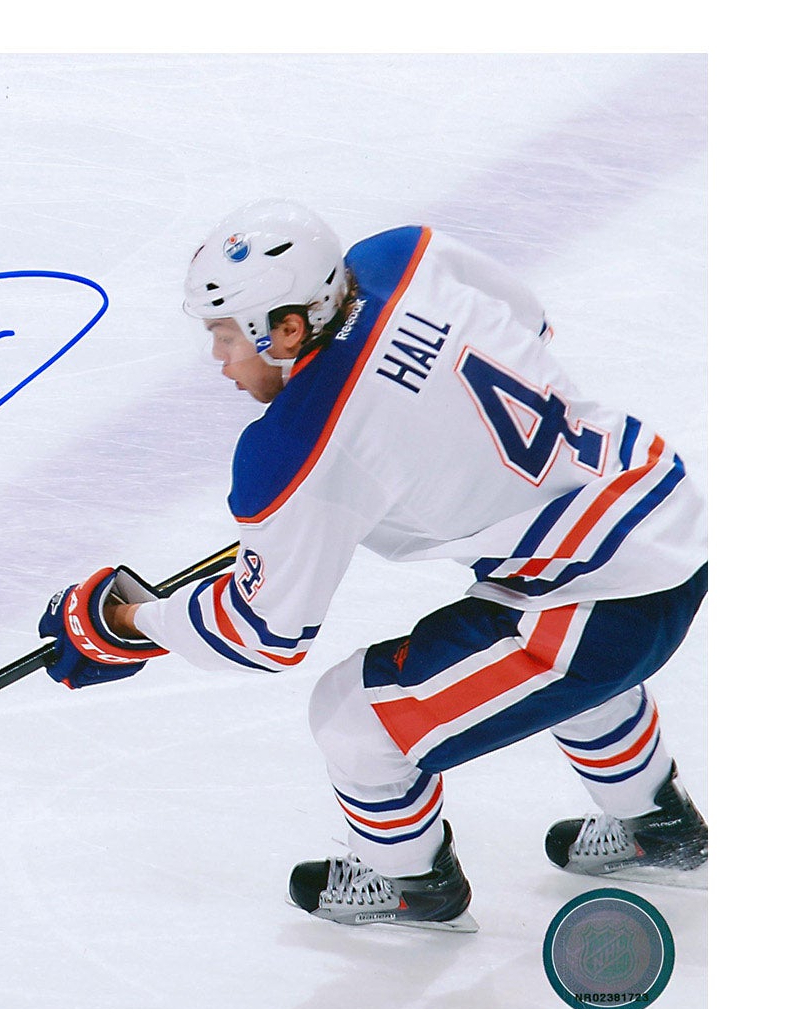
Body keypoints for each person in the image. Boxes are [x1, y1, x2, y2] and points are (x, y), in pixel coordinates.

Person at [39, 200, 707, 931]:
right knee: (555, 667)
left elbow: (262, 633)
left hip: (599, 610)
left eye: (226, 335)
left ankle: (410, 881)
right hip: (663, 507)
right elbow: (530, 326)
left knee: (355, 717)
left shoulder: (298, 445)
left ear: (287, 329)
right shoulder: (406, 254)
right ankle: (656, 824)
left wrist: (126, 621)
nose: (219, 358)